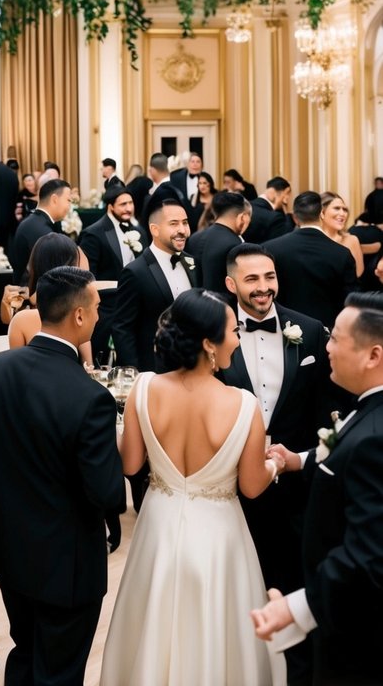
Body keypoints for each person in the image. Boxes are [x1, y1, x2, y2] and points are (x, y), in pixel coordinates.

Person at [101, 289, 286, 686]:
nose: (238, 337)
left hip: (159, 526)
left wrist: (116, 428)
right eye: (233, 330)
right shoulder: (244, 405)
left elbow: (130, 463)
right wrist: (275, 463)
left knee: (151, 623)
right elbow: (252, 487)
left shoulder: (144, 389)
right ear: (209, 343)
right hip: (220, 535)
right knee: (217, 628)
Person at [0, 265, 125, 686]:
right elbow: (107, 494)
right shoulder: (91, 397)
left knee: (25, 652)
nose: (98, 316)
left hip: (6, 547)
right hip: (66, 562)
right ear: (77, 316)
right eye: (95, 308)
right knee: (59, 670)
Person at [251, 293, 383, 685]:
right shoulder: (368, 413)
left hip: (360, 634)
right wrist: (302, 459)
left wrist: (296, 607)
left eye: (336, 339)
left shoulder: (375, 438)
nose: (326, 347)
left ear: (373, 355)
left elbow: (369, 555)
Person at [219, 244, 332, 599]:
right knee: (239, 588)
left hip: (295, 486)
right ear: (231, 284)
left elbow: (324, 407)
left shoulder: (310, 330)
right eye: (251, 279)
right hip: (232, 484)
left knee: (294, 582)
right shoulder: (215, 336)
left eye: (269, 276)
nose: (263, 286)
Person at [112, 199, 197, 371]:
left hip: (192, 368)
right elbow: (122, 329)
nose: (182, 230)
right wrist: (135, 375)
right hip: (154, 370)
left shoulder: (193, 263)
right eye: (174, 224)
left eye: (185, 223)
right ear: (154, 230)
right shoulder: (135, 272)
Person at [79, 185, 150, 362]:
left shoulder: (139, 231)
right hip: (106, 309)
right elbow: (88, 278)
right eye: (123, 204)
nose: (128, 208)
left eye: (131, 203)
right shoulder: (93, 234)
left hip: (137, 307)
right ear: (110, 207)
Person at [269, 192, 356, 328]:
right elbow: (350, 301)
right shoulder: (342, 254)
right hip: (326, 330)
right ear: (321, 214)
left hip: (284, 327)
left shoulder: (271, 249)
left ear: (295, 218)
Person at [8, 234, 94, 370]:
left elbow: (15, 370)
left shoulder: (21, 316)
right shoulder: (76, 314)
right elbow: (89, 368)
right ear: (66, 267)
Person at [9, 177, 71, 285]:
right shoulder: (42, 231)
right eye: (68, 200)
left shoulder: (34, 222)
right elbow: (50, 275)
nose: (69, 206)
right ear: (55, 199)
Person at [190, 190, 250, 296]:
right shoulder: (235, 243)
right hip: (223, 307)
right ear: (242, 217)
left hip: (194, 304)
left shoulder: (194, 238)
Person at [319, 190, 364, 280]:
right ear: (322, 212)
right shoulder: (312, 240)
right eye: (337, 208)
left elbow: (358, 274)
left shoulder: (352, 240)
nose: (342, 214)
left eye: (345, 209)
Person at [244, 177, 292, 244]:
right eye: (288, 194)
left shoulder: (244, 207)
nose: (287, 199)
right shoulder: (274, 217)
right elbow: (286, 240)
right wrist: (288, 212)